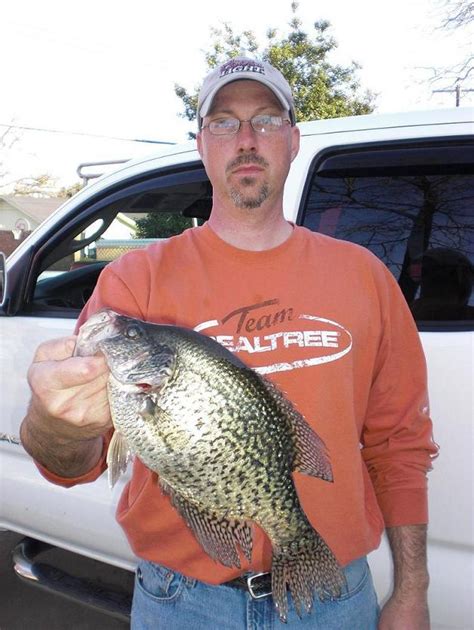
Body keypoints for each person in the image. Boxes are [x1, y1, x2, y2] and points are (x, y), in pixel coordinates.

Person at [21, 57, 438, 630]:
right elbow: (72, 464)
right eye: (223, 122)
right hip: (183, 601)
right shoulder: (133, 282)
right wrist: (56, 422)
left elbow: (400, 444)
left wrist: (412, 589)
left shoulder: (363, 275)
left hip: (335, 598)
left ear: (292, 141)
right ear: (201, 143)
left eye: (265, 120)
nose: (246, 139)